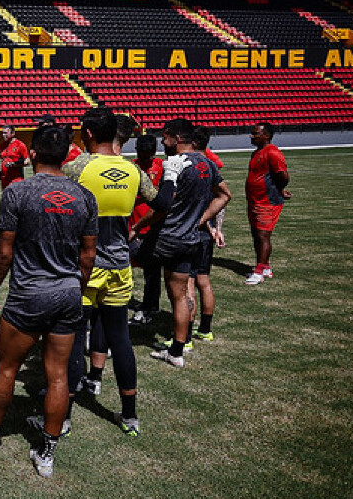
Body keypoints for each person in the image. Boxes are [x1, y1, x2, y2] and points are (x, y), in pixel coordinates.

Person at [0, 126, 96, 478]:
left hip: (28, 294)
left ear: (33, 153)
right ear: (67, 153)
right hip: (68, 292)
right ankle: (46, 454)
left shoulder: (18, 192)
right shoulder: (84, 196)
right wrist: (77, 289)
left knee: (5, 369)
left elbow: (5, 250)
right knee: (57, 377)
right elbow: (88, 255)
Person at [61, 108, 159, 437]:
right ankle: (130, 415)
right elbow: (160, 203)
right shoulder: (132, 171)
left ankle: (64, 416)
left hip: (85, 267)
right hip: (119, 264)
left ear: (88, 134)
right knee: (121, 339)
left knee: (74, 339)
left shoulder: (76, 168)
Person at [137, 119, 231, 368]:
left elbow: (163, 206)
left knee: (120, 260)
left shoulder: (175, 164)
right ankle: (178, 349)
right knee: (181, 294)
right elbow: (225, 195)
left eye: (165, 137)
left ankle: (105, 339)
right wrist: (201, 219)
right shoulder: (208, 164)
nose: (162, 142)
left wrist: (136, 227)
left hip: (167, 238)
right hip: (190, 238)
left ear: (176, 138)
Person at [245, 121, 290, 285]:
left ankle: (258, 273)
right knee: (257, 234)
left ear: (266, 135)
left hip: (267, 202)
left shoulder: (273, 152)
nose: (252, 136)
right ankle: (265, 267)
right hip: (255, 200)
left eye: (255, 133)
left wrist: (279, 189)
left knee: (263, 235)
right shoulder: (257, 153)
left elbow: (283, 176)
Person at [128, 134, 164, 325]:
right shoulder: (130, 167)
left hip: (153, 226)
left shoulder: (162, 166)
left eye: (149, 156)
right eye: (142, 156)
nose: (146, 160)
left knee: (152, 270)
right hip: (133, 225)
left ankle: (151, 306)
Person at [192, 126, 227, 247]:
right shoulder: (211, 161)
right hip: (205, 223)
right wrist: (217, 229)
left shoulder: (189, 162)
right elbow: (222, 198)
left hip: (193, 224)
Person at [0, 125, 29, 189]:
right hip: (5, 179)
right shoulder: (2, 146)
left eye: (6, 133)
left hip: (16, 179)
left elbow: (27, 161)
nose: (3, 135)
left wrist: (14, 164)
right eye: (3, 133)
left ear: (13, 133)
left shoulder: (20, 145)